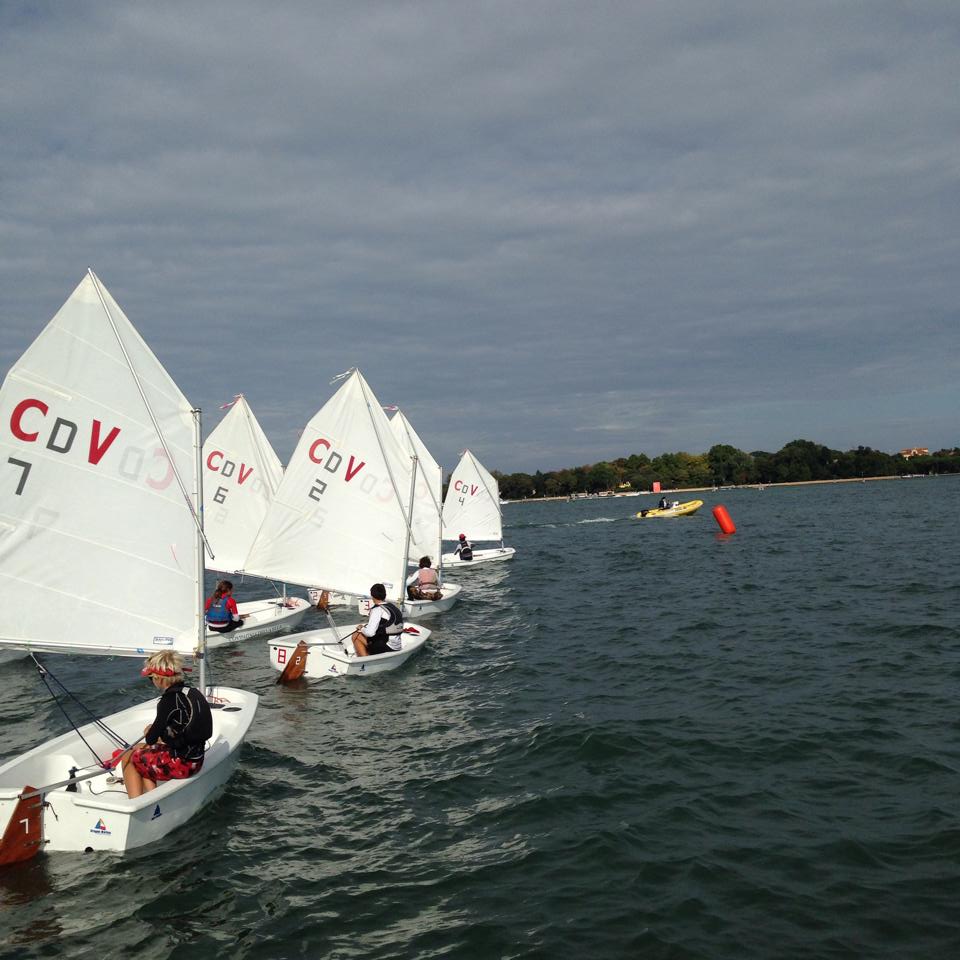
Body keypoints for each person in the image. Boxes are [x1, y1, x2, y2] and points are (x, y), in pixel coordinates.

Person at [120, 651, 213, 799]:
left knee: (127, 756)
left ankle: (135, 800)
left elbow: (151, 739)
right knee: (139, 748)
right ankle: (152, 797)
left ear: (159, 678)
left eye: (151, 678)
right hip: (196, 759)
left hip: (182, 765)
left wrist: (150, 731)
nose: (152, 681)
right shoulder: (193, 693)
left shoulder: (168, 701)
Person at [351, 583, 404, 657]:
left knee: (356, 635)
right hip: (397, 646)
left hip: (386, 647)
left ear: (372, 595)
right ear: (385, 594)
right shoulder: (392, 607)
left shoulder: (377, 609)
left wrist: (361, 628)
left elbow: (370, 633)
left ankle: (365, 660)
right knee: (370, 637)